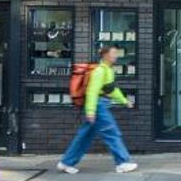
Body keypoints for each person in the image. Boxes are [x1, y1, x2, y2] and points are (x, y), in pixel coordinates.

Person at [56, 44, 137, 174]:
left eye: (117, 53)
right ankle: (123, 162)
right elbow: (92, 91)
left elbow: (111, 90)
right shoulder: (100, 71)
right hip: (98, 106)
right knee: (111, 132)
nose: (116, 55)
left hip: (99, 105)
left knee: (84, 136)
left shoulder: (107, 70)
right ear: (105, 55)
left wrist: (124, 101)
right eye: (114, 53)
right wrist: (90, 111)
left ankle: (66, 163)